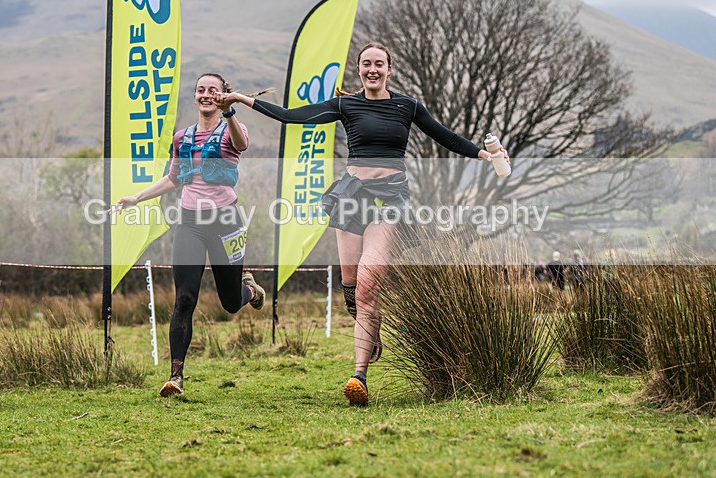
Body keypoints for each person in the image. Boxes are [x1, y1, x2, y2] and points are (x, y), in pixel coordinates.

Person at [215, 42, 509, 406]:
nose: (373, 70)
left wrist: (485, 154)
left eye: (379, 64)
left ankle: (359, 376)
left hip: (389, 199)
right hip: (350, 197)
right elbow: (293, 116)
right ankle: (372, 331)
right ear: (359, 70)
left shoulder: (408, 106)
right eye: (366, 64)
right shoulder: (345, 105)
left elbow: (444, 136)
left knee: (370, 285)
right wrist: (242, 101)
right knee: (353, 291)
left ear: (390, 69)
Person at [114, 73, 266, 398]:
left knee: (229, 302)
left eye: (213, 90)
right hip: (189, 223)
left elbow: (241, 144)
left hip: (226, 221)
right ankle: (176, 377)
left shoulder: (231, 129)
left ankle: (250, 291)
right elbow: (173, 179)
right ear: (195, 96)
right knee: (184, 299)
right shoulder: (182, 137)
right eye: (201, 90)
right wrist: (135, 198)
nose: (206, 94)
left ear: (223, 95)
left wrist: (230, 112)